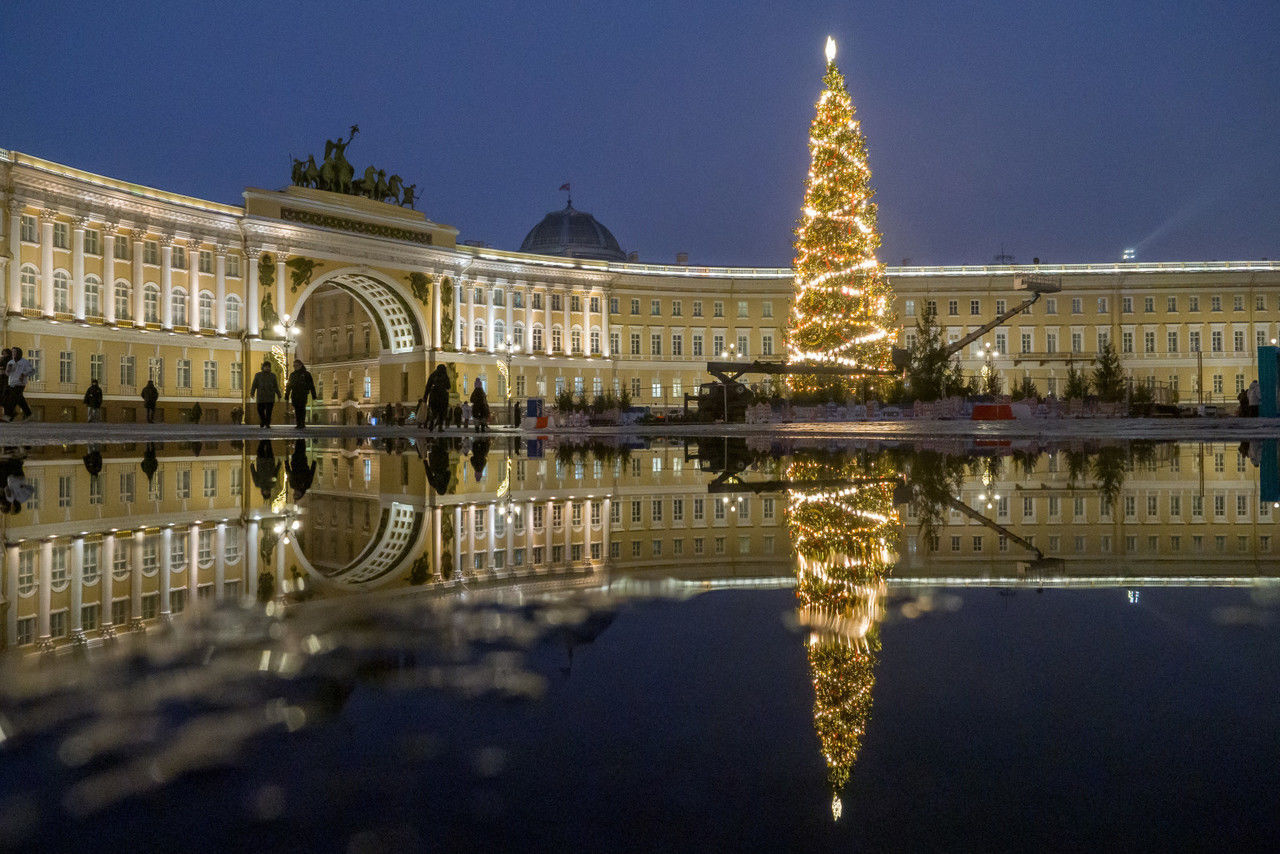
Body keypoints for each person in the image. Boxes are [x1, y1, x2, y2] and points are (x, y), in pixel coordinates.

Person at [5, 347, 36, 422]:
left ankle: (9, 416)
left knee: (12, 399)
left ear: (19, 353)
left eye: (15, 352)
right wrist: (8, 370)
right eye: (12, 352)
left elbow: (32, 371)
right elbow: (7, 373)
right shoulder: (10, 362)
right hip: (12, 383)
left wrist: (23, 374)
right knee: (20, 400)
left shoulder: (24, 362)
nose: (13, 353)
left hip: (20, 384)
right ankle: (29, 414)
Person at [285, 359, 317, 429]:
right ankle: (298, 423)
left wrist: (313, 395)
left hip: (303, 394)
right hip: (295, 394)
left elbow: (311, 385)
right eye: (294, 366)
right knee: (297, 409)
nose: (295, 367)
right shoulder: (292, 375)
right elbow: (289, 385)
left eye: (296, 365)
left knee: (302, 408)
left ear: (300, 365)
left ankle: (302, 423)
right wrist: (287, 394)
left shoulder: (306, 374)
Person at [249, 361, 281, 428]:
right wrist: (252, 393)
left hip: (270, 396)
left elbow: (276, 386)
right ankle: (263, 420)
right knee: (260, 410)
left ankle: (267, 423)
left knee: (269, 412)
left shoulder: (273, 376)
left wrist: (279, 395)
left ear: (270, 367)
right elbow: (254, 385)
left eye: (268, 367)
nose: (267, 368)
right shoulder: (258, 375)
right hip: (261, 396)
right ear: (263, 367)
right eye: (266, 366)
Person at [422, 365, 450, 431]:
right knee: (442, 412)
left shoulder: (433, 375)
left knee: (434, 412)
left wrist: (425, 397)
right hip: (443, 396)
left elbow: (428, 386)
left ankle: (431, 425)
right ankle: (440, 427)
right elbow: (448, 386)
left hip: (434, 396)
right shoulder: (445, 376)